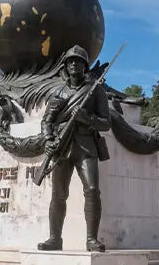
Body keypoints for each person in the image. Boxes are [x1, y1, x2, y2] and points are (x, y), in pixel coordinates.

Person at [38, 45, 112, 252]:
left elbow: (106, 123)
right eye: (70, 61)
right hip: (62, 146)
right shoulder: (58, 92)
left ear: (84, 66)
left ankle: (91, 239)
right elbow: (47, 121)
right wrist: (49, 139)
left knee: (92, 190)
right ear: (65, 66)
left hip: (86, 147)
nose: (73, 65)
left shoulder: (96, 90)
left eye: (78, 61)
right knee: (58, 194)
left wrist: (87, 119)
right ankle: (55, 238)